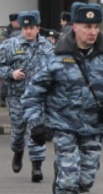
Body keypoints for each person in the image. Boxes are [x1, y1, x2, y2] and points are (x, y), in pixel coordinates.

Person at [21, 2, 103, 193]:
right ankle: (63, 178)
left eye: (96, 27)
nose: (93, 32)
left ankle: (64, 175)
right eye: (87, 27)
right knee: (68, 181)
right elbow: (33, 92)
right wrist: (36, 123)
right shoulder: (55, 56)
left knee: (85, 181)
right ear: (74, 27)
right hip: (63, 124)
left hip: (94, 126)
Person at [0, 10, 54, 182]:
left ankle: (36, 167)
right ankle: (18, 151)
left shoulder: (48, 47)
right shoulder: (9, 45)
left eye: (31, 28)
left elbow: (57, 69)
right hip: (17, 97)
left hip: (38, 99)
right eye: (25, 28)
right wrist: (11, 73)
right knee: (17, 132)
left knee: (36, 131)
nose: (28, 31)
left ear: (38, 28)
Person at [0, 13, 21, 107]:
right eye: (16, 21)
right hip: (7, 55)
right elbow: (4, 44)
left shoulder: (21, 30)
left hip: (19, 56)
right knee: (6, 76)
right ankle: (2, 96)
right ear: (12, 21)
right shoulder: (5, 31)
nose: (18, 23)